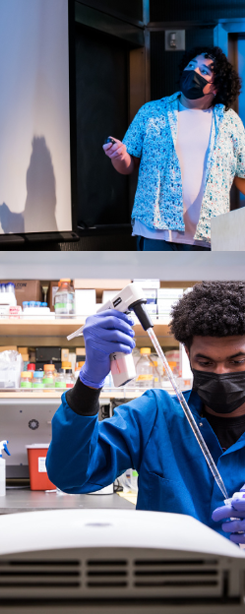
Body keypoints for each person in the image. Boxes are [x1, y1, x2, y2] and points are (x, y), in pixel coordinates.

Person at [47, 281, 245, 540]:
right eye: (205, 362)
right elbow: (70, 475)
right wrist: (89, 379)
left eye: (237, 361)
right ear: (187, 353)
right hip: (166, 578)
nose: (221, 373)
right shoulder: (155, 414)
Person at [103, 47, 245, 250]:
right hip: (155, 231)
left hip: (207, 236)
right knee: (154, 283)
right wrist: (119, 155)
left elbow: (242, 175)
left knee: (203, 284)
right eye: (191, 66)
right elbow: (127, 165)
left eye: (204, 71)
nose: (194, 72)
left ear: (217, 87)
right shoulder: (151, 112)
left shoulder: (229, 121)